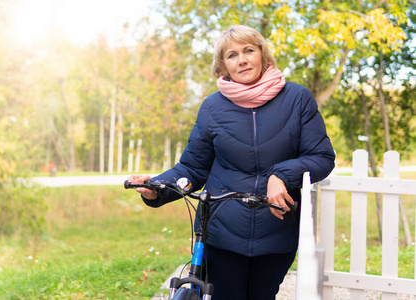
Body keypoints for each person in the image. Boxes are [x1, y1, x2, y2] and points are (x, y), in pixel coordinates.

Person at [127, 24, 335, 300]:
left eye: (249, 50)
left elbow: (321, 157)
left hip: (276, 231)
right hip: (221, 233)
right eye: (232, 55)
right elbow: (193, 168)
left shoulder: (297, 99)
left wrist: (281, 175)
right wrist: (159, 188)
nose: (242, 59)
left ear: (262, 54)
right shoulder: (212, 107)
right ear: (223, 65)